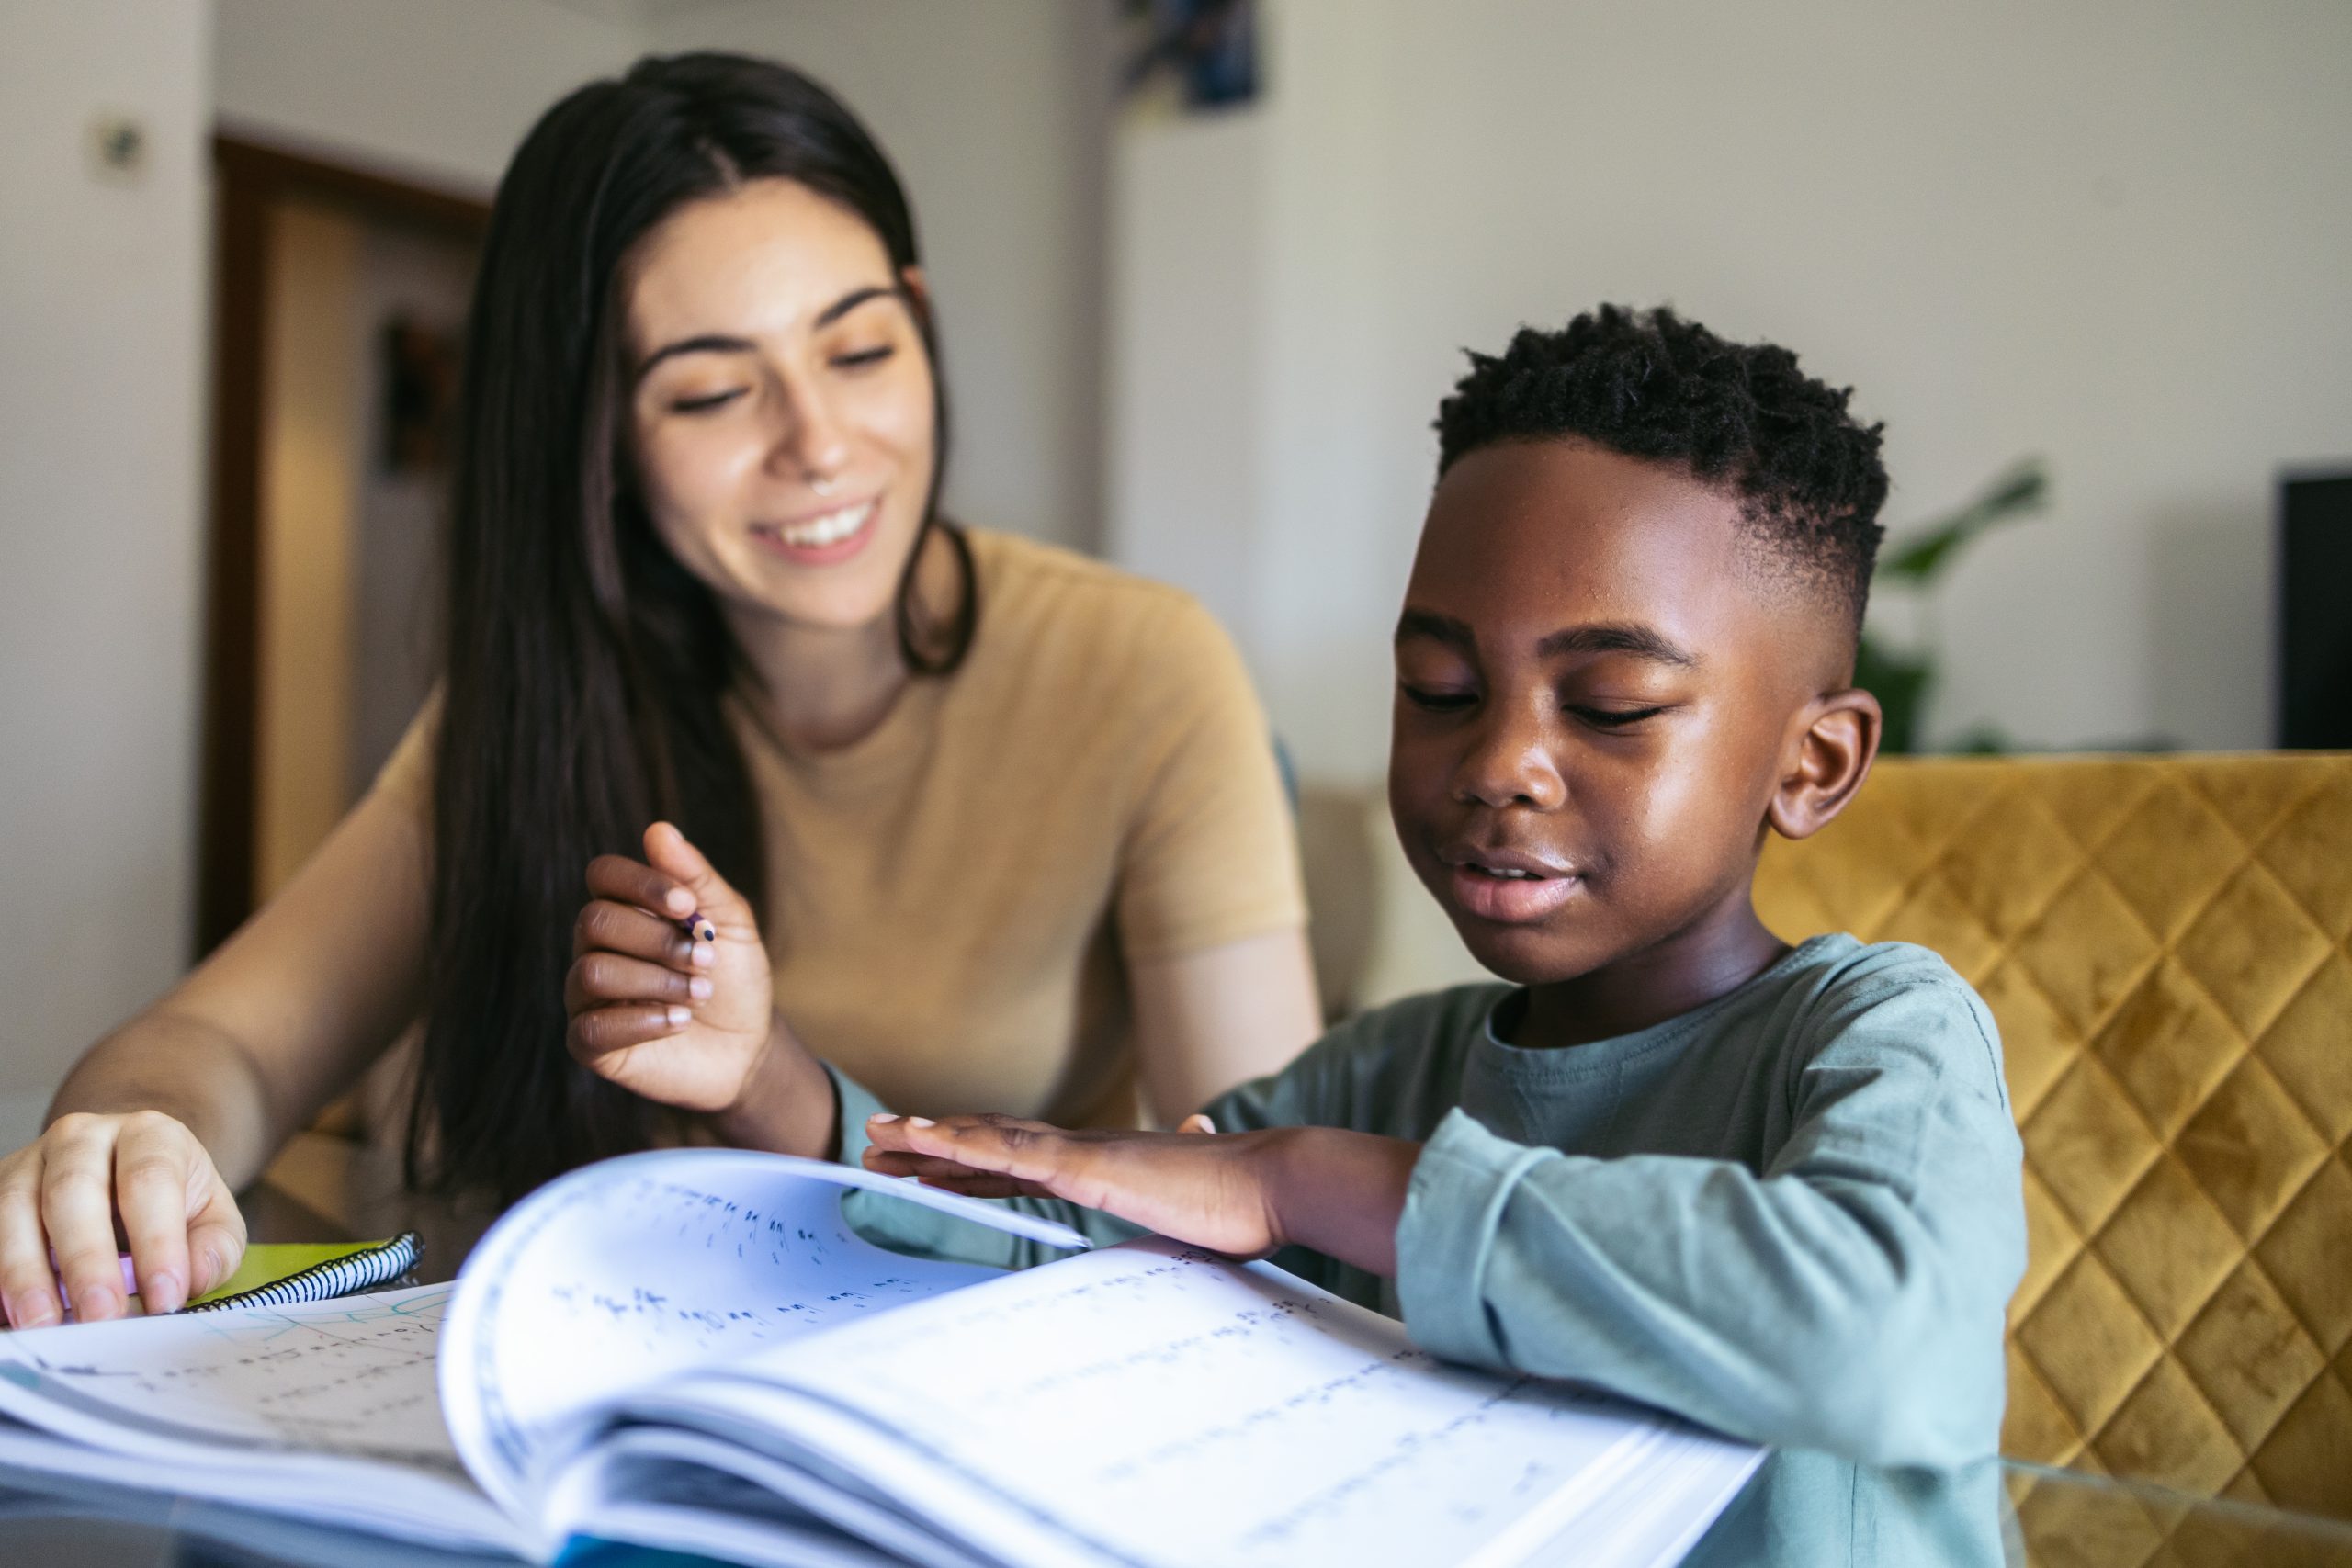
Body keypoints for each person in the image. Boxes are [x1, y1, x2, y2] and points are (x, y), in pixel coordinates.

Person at [0, 52, 1318, 1332]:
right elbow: (220, 1043)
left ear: (918, 317)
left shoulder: (1143, 667)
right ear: (604, 439)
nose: (819, 445)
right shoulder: (544, 701)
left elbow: (1269, 1205)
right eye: (712, 391)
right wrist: (128, 1145)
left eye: (860, 352)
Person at [855, 306, 2029, 1563]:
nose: (1500, 764)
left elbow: (1882, 1341)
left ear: (1814, 761)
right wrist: (761, 1083)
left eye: (1612, 706)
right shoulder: (1383, 1072)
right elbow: (1057, 1247)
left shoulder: (1876, 1034)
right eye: (1442, 691)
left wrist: (1300, 1179)